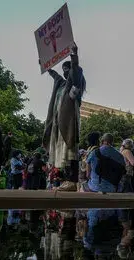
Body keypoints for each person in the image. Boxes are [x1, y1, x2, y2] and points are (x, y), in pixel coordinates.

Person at [43, 43, 85, 192]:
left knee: (70, 150)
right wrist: (47, 68)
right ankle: (66, 180)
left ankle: (72, 181)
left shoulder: (75, 82)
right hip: (57, 124)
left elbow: (76, 71)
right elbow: (55, 76)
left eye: (67, 69)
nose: (65, 72)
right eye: (64, 70)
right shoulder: (61, 84)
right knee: (62, 152)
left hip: (69, 122)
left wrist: (74, 55)